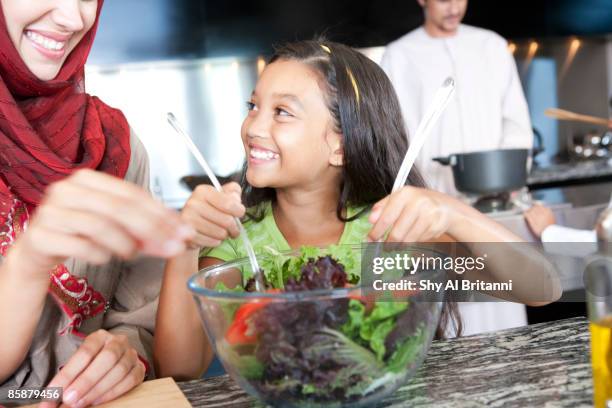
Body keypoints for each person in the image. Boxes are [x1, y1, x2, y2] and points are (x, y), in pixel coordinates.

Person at [154, 40, 561, 379]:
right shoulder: (237, 239)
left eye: (282, 112)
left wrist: (452, 212)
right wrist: (183, 245)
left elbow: (542, 288)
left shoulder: (388, 232)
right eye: (253, 106)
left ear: (341, 145)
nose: (253, 127)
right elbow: (181, 370)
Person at [0, 1, 194, 407]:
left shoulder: (109, 144)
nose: (75, 18)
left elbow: (137, 318)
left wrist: (122, 355)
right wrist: (29, 262)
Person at [380, 0, 533, 195]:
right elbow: (390, 134)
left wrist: (511, 178)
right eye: (443, 0)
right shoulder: (398, 56)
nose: (454, 8)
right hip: (431, 195)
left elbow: (516, 121)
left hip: (496, 193)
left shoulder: (492, 46)